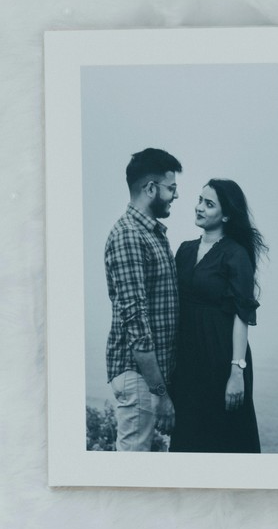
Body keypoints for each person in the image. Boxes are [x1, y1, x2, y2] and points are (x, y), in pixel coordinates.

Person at [170, 179, 265, 452]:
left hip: (222, 356)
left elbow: (241, 314)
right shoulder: (185, 250)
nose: (199, 208)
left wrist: (237, 371)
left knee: (226, 437)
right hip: (188, 358)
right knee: (188, 438)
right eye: (200, 200)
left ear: (225, 214)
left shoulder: (236, 254)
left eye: (209, 204)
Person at [103, 148, 181, 451]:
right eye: (171, 188)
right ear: (151, 189)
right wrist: (160, 393)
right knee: (132, 469)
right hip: (140, 378)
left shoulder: (150, 233)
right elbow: (135, 322)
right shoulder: (129, 235)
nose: (175, 195)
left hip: (147, 378)